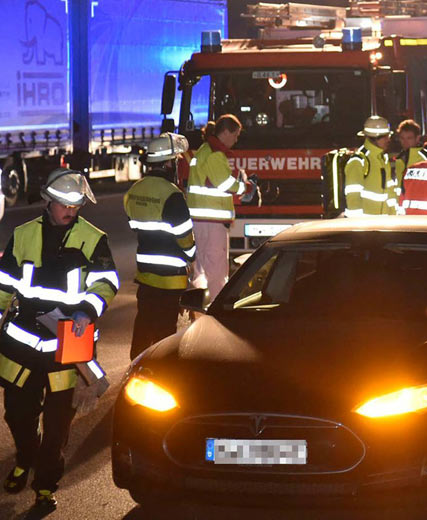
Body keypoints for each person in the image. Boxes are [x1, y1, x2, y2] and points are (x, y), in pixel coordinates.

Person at [0, 169, 117, 512]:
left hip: (67, 346)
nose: (70, 211)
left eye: (76, 204)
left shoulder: (93, 238)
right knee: (18, 417)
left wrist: (86, 310)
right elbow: (5, 285)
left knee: (57, 427)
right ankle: (24, 458)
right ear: (48, 201)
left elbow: (106, 282)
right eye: (64, 204)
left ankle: (45, 485)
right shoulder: (22, 235)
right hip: (21, 345)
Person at [124, 133, 196, 360]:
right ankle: (161, 373)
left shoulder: (134, 191)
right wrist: (191, 254)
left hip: (145, 274)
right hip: (170, 278)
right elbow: (185, 236)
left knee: (144, 323)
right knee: (165, 333)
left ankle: (136, 366)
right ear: (168, 163)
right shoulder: (172, 195)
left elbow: (135, 225)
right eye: (175, 161)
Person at [185, 114, 248, 301]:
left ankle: (199, 306)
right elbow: (225, 184)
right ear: (226, 132)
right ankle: (217, 310)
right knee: (217, 271)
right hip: (213, 222)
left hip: (200, 220)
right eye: (235, 135)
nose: (236, 140)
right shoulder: (214, 154)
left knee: (202, 269)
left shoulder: (204, 150)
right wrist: (246, 187)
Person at [344, 115, 397, 217]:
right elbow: (353, 197)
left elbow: (390, 193)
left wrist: (393, 216)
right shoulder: (358, 161)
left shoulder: (383, 159)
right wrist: (359, 227)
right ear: (375, 138)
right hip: (366, 227)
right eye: (386, 136)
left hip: (384, 225)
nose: (388, 140)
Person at [393, 119, 427, 191]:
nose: (405, 142)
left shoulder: (426, 158)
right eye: (402, 138)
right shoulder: (399, 159)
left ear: (417, 138)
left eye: (409, 138)